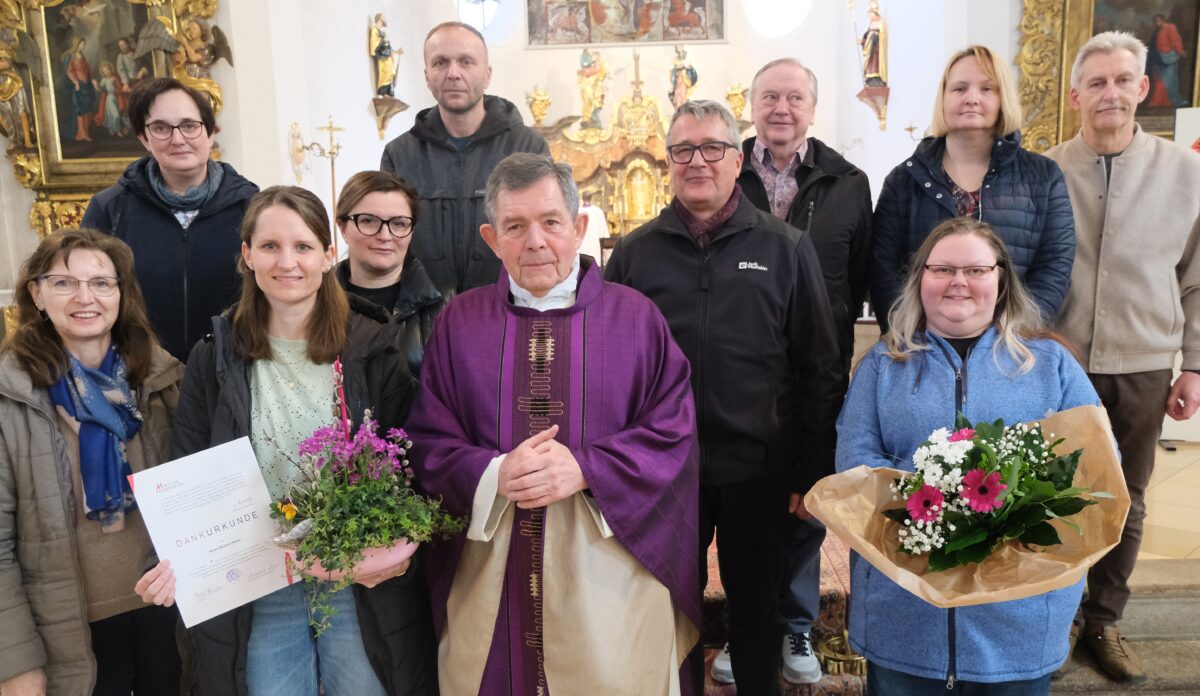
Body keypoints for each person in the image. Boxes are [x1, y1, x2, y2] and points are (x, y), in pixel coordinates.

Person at [406, 153, 700, 695]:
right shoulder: (459, 322)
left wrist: (587, 468)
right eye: (515, 227)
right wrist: (495, 474)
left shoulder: (636, 318)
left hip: (608, 558)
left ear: (580, 228)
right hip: (491, 558)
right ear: (492, 239)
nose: (535, 242)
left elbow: (673, 433)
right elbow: (426, 440)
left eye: (550, 222)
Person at [606, 100, 838, 696]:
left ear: (739, 160)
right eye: (683, 150)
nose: (697, 161)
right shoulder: (634, 255)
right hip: (662, 470)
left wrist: (810, 473)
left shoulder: (786, 247)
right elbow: (607, 368)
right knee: (662, 606)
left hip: (758, 468)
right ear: (667, 163)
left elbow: (817, 366)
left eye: (712, 148)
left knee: (756, 613)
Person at [167, 186, 436, 695]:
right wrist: (172, 555)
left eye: (303, 246)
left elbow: (412, 463)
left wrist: (398, 549)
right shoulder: (215, 355)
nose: (286, 262)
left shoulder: (372, 347)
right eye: (269, 246)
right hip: (264, 576)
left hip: (358, 577)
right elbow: (188, 466)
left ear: (328, 254)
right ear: (247, 256)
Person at [838, 217, 1100, 695]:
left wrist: (1011, 520)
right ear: (920, 280)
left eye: (976, 270)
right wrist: (931, 513)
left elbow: (1095, 464)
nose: (959, 282)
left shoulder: (1051, 364)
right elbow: (853, 463)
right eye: (942, 269)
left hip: (1017, 619)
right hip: (906, 610)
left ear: (1001, 280)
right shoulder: (884, 364)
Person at [1046, 31, 1200, 683]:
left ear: (1143, 88)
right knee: (1050, 495)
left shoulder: (1186, 173)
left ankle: (1104, 620)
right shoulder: (1047, 169)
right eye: (1097, 82)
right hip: (1057, 367)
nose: (1111, 93)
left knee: (1126, 499)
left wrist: (1193, 363)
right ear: (1077, 93)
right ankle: (1049, 621)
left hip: (1142, 363)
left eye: (1123, 80)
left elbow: (1196, 276)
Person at [729, 56, 872, 687]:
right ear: (751, 105)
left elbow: (865, 276)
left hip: (818, 367)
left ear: (812, 108)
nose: (780, 109)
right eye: (768, 97)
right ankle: (745, 627)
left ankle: (795, 626)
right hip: (743, 370)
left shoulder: (848, 181)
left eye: (794, 98)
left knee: (807, 497)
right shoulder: (724, 169)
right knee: (743, 508)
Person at [0, 229, 185, 695]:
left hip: (166, 612)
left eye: (102, 283)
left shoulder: (163, 380)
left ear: (122, 294)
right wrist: (15, 663)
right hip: (66, 632)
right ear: (37, 295)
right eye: (63, 283)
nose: (86, 297)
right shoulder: (11, 396)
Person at [870, 45, 1075, 330]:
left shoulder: (1043, 176)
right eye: (959, 89)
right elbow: (884, 268)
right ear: (943, 99)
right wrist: (909, 332)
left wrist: (1016, 332)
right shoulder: (904, 180)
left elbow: (1055, 264)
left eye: (987, 89)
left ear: (1003, 99)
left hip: (1013, 346)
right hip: (925, 347)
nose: (971, 99)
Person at [82, 77, 259, 362]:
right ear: (144, 138)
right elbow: (88, 294)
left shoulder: (251, 206)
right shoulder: (110, 208)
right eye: (161, 128)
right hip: (139, 374)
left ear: (211, 133)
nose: (178, 139)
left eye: (189, 126)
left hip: (233, 370)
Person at [380, 21, 548, 294]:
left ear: (487, 74)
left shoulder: (528, 147)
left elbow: (544, 233)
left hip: (506, 310)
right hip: (424, 316)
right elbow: (386, 241)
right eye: (440, 63)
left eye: (466, 62)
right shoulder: (399, 155)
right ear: (427, 75)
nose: (453, 73)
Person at [335, 170, 445, 377]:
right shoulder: (313, 301)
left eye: (399, 223)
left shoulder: (443, 308)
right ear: (343, 228)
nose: (385, 236)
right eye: (368, 221)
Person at [1148, 14, 1188, 108]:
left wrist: (1180, 51)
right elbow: (1153, 44)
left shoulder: (1170, 27)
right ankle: (1159, 101)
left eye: (1158, 21)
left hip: (1169, 57)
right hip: (1159, 58)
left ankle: (1174, 101)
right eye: (1155, 22)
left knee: (1170, 80)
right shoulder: (1157, 31)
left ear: (1163, 20)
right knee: (1159, 80)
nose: (1157, 23)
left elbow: (1175, 40)